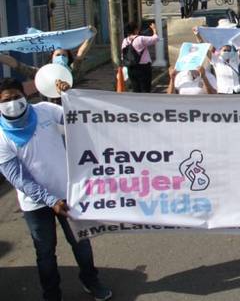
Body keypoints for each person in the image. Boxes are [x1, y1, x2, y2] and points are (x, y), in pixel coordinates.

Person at [0, 77, 113, 301]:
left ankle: (91, 280)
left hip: (68, 194)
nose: (13, 102)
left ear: (25, 96)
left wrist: (70, 96)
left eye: (16, 97)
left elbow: (78, 118)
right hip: (36, 204)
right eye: (6, 100)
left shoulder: (44, 110)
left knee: (81, 242)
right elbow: (20, 179)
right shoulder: (1, 137)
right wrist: (50, 200)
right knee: (45, 253)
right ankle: (52, 294)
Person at [0, 27, 95, 85]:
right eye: (58, 55)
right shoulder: (42, 74)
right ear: (52, 57)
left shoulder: (72, 71)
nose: (61, 57)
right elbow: (16, 65)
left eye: (64, 55)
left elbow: (80, 54)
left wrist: (90, 35)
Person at [121, 22, 158, 93]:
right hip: (143, 68)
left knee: (136, 89)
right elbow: (155, 39)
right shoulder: (140, 39)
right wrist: (154, 29)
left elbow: (123, 55)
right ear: (135, 30)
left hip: (131, 68)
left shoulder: (125, 41)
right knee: (145, 89)